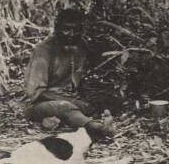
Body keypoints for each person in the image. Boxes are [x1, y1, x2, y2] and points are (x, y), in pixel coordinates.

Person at [24, 9, 116, 138]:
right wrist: (74, 101)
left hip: (71, 98)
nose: (71, 34)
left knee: (104, 98)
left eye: (76, 30)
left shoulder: (81, 46)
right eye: (66, 29)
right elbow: (36, 93)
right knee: (65, 107)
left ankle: (54, 120)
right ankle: (99, 129)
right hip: (40, 104)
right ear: (57, 28)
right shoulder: (44, 50)